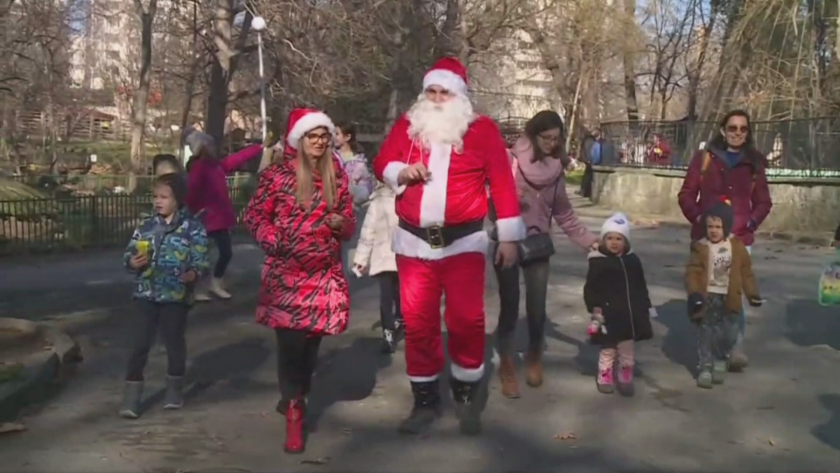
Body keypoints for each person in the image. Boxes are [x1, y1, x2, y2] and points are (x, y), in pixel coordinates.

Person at [373, 57, 525, 436]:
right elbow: (381, 163)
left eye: (445, 92)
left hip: (463, 244)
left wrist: (508, 237)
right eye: (432, 92)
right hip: (413, 243)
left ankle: (465, 394)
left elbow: (503, 184)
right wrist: (400, 173)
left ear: (460, 95)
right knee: (419, 323)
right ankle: (424, 401)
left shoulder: (483, 131)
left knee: (466, 320)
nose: (438, 99)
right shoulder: (408, 128)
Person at [243, 108, 355, 454]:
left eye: (324, 136)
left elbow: (350, 215)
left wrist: (342, 224)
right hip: (288, 275)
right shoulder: (277, 176)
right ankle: (294, 413)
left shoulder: (337, 173)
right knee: (290, 347)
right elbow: (253, 215)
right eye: (313, 137)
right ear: (299, 140)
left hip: (323, 275)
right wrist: (274, 239)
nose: (320, 143)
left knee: (309, 348)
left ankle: (297, 393)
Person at [492, 110, 599, 399]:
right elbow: (490, 197)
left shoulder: (556, 171)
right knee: (510, 307)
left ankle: (534, 357)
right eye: (546, 138)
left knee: (537, 310)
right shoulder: (510, 160)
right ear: (533, 135)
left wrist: (592, 242)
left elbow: (564, 214)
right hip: (508, 242)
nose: (552, 143)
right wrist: (507, 200)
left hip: (539, 244)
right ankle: (507, 366)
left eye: (556, 138)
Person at [677, 109, 772, 371]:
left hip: (739, 241)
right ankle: (709, 352)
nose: (737, 133)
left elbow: (764, 202)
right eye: (733, 128)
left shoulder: (754, 163)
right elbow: (686, 195)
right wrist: (699, 219)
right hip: (706, 242)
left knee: (733, 295)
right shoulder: (705, 159)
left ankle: (734, 347)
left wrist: (750, 223)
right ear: (723, 130)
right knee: (709, 297)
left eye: (743, 129)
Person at [119, 173, 210, 419]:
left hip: (175, 296)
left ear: (178, 199)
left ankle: (174, 390)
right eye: (155, 196)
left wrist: (193, 273)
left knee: (173, 343)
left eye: (164, 197)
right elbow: (128, 255)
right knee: (140, 344)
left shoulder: (193, 228)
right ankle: (132, 396)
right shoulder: (146, 226)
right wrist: (132, 262)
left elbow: (202, 259)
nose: (158, 201)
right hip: (145, 293)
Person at [685, 200, 762, 388]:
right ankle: (705, 366)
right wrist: (694, 293)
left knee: (729, 333)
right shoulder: (701, 247)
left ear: (726, 227)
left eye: (718, 227)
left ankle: (720, 359)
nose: (713, 230)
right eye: (710, 226)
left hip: (729, 297)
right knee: (706, 332)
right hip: (707, 296)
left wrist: (753, 294)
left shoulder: (736, 247)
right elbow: (692, 272)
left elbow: (746, 273)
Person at [184, 131, 264, 301]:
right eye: (210, 145)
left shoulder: (218, 166)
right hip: (204, 219)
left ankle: (215, 282)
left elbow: (238, 158)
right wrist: (190, 210)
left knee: (225, 252)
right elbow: (192, 191)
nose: (214, 148)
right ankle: (198, 288)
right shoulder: (199, 167)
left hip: (220, 220)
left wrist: (259, 147)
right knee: (201, 256)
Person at [583, 213, 656, 397]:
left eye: (618, 238)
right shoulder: (598, 262)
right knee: (608, 350)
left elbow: (640, 285)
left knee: (626, 351)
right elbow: (591, 288)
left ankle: (625, 377)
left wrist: (646, 305)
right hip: (607, 314)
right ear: (603, 240)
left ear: (625, 241)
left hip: (628, 315)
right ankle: (605, 376)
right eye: (609, 238)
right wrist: (595, 307)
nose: (614, 242)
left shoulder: (632, 260)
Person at [353, 181, 403, 353]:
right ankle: (388, 332)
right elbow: (368, 232)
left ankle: (400, 319)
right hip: (383, 256)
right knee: (386, 297)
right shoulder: (377, 201)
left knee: (401, 294)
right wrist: (361, 259)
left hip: (403, 255)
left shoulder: (408, 197)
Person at [334, 121, 375, 278]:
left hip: (348, 214)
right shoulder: (329, 158)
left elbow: (366, 191)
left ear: (347, 137)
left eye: (337, 133)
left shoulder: (359, 163)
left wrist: (349, 190)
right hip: (327, 211)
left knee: (342, 257)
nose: (333, 137)